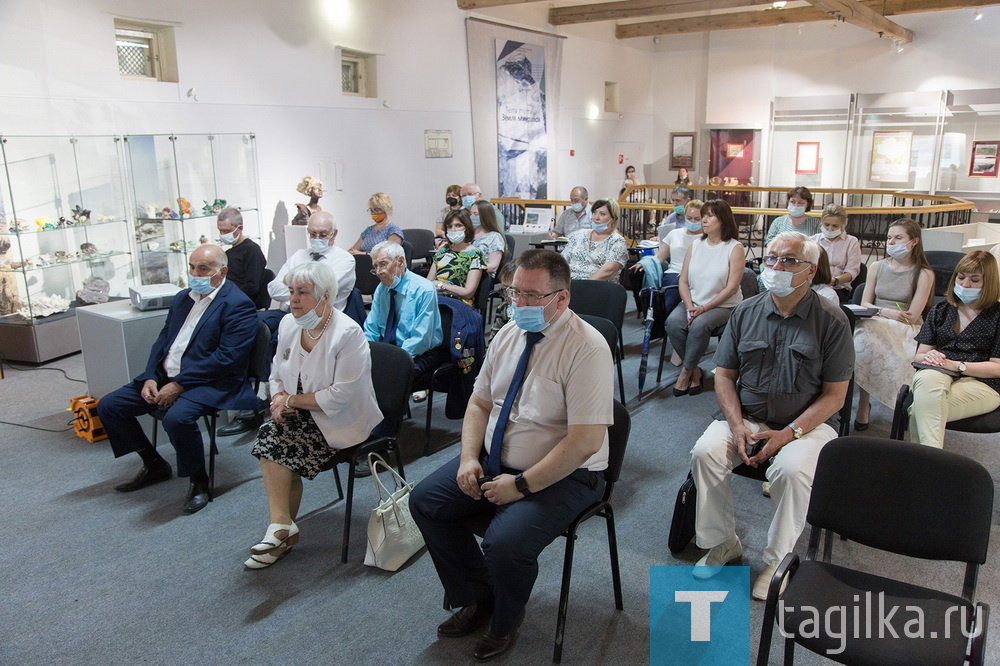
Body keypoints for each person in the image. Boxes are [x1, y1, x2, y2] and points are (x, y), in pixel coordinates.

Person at [410, 249, 614, 662]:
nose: (518, 303)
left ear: (562, 298)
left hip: (567, 472)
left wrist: (522, 485)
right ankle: (478, 595)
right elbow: (479, 404)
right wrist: (469, 458)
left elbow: (585, 442)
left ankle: (506, 618)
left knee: (504, 543)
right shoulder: (507, 334)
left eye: (531, 295)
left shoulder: (587, 348)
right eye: (513, 292)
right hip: (495, 459)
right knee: (426, 501)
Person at [690, 231, 854, 600]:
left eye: (789, 260)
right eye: (771, 259)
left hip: (808, 425)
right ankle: (722, 543)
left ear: (810, 271)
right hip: (747, 417)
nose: (776, 267)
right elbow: (725, 377)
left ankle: (778, 560)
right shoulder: (746, 312)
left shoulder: (831, 320)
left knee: (790, 471)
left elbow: (835, 396)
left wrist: (789, 433)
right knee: (706, 452)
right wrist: (735, 424)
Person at [96, 245, 258, 514]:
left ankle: (199, 481)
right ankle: (154, 464)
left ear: (223, 271)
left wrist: (179, 383)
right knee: (109, 406)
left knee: (177, 418)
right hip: (167, 377)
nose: (195, 274)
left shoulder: (238, 304)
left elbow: (227, 359)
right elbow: (163, 341)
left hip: (211, 381)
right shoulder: (184, 298)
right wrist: (150, 376)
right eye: (192, 268)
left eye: (203, 269)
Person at [245, 262, 383, 569]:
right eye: (292, 291)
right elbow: (276, 372)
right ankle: (280, 529)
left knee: (274, 442)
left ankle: (280, 532)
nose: (293, 299)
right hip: (300, 412)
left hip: (343, 420)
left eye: (303, 292)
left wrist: (290, 399)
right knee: (275, 436)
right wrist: (277, 400)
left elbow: (341, 396)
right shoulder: (288, 324)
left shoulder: (347, 333)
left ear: (326, 297)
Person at [909, 251, 1000, 447]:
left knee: (920, 410)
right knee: (928, 379)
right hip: (938, 372)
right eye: (961, 277)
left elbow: (997, 367)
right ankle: (931, 465)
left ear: (989, 282)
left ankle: (924, 465)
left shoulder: (998, 316)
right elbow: (919, 356)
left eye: (975, 280)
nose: (965, 285)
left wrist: (957, 366)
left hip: (984, 383)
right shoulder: (941, 310)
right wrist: (929, 355)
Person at [852, 219, 934, 430]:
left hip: (906, 328)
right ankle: (863, 403)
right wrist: (885, 311)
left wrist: (888, 314)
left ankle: (899, 403)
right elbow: (865, 303)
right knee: (865, 335)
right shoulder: (877, 266)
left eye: (898, 238)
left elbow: (912, 316)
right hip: (876, 320)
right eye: (889, 237)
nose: (891, 242)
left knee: (871, 335)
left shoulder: (924, 273)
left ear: (914, 241)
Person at [666, 199, 745, 396]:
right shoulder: (696, 245)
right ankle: (695, 371)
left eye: (710, 216)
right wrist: (689, 305)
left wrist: (703, 308)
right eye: (704, 216)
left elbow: (731, 288)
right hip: (693, 302)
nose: (704, 220)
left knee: (699, 325)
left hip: (724, 305)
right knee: (673, 323)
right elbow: (683, 280)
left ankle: (686, 372)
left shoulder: (734, 248)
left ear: (723, 220)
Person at [363, 240, 444, 383]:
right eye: (375, 266)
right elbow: (371, 329)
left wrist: (392, 359)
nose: (378, 272)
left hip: (420, 352)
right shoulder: (382, 289)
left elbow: (421, 339)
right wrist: (367, 353)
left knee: (389, 379)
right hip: (389, 350)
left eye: (383, 264)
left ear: (400, 261)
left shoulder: (423, 290)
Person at [269, 211, 356, 313]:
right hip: (286, 314)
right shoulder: (298, 255)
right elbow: (273, 288)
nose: (317, 238)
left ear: (334, 233)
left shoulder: (344, 260)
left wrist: (291, 286)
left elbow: (319, 292)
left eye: (323, 234)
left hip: (320, 319)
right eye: (313, 234)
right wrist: (305, 289)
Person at [563, 198, 629, 283]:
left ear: (613, 218)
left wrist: (582, 287)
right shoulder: (578, 235)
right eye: (594, 213)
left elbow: (608, 271)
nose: (596, 217)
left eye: (602, 214)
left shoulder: (617, 242)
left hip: (597, 287)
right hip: (568, 284)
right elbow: (562, 260)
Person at [429, 209, 487, 306]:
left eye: (458, 225)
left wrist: (441, 285)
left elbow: (468, 292)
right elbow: (429, 281)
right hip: (436, 299)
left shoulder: (475, 254)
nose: (453, 230)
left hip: (459, 303)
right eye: (450, 226)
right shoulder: (443, 249)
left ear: (467, 228)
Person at [809, 204, 861, 302]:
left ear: (843, 225)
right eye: (826, 224)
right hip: (814, 286)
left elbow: (852, 272)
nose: (830, 229)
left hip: (839, 289)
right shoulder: (812, 241)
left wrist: (834, 281)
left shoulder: (851, 242)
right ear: (821, 223)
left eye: (835, 226)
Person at [217, 207, 267, 307]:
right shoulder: (228, 253)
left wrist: (227, 296)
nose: (222, 235)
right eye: (220, 231)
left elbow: (252, 287)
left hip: (241, 302)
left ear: (239, 228)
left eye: (226, 231)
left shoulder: (252, 250)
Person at [471, 199, 507, 276]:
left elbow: (493, 266)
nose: (472, 217)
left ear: (485, 216)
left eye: (476, 214)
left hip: (482, 277)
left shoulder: (494, 237)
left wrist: (471, 268)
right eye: (471, 214)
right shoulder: (467, 235)